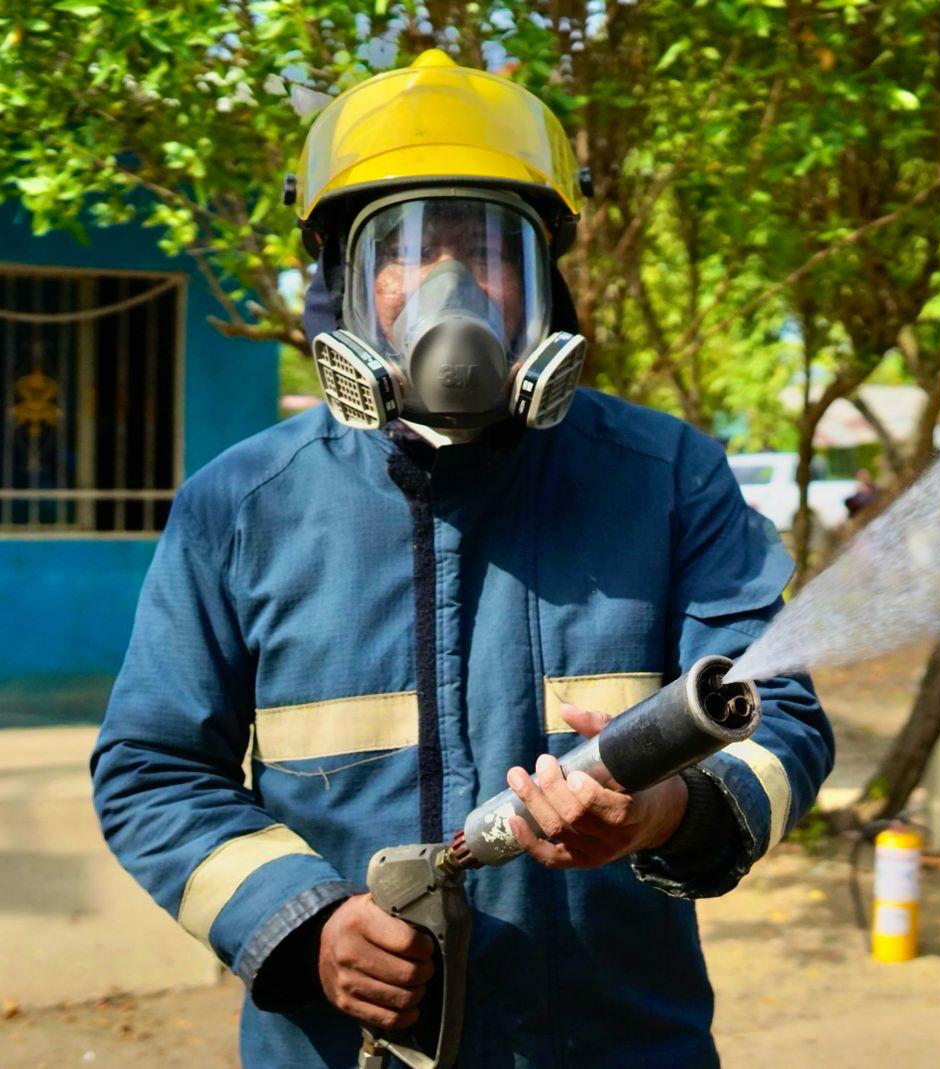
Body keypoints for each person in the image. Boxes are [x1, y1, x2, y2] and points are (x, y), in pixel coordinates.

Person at [90, 51, 832, 1067]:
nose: (450, 284)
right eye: (406, 248)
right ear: (344, 278)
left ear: (544, 278)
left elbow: (778, 715)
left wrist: (666, 810)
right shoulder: (242, 505)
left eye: (487, 246)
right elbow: (154, 768)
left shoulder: (666, 477)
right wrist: (303, 924)